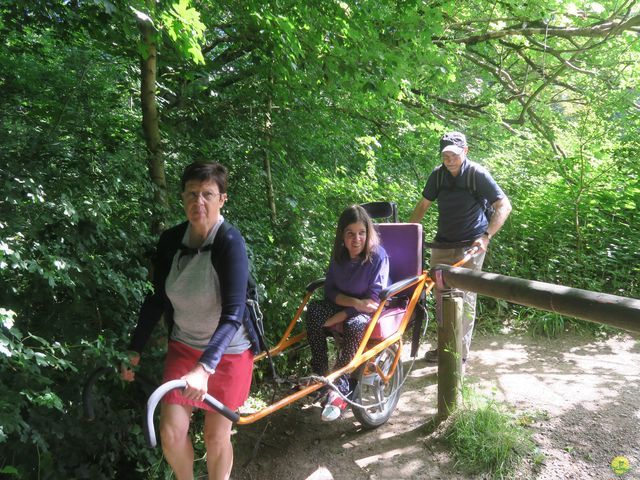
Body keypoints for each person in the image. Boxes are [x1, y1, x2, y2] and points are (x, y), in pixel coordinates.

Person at [121, 162, 259, 480]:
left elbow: (233, 313)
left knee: (215, 436)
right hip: (184, 348)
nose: (199, 202)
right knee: (170, 434)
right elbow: (155, 299)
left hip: (228, 353)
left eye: (208, 194)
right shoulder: (171, 241)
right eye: (192, 194)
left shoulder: (230, 243)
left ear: (222, 199)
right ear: (182, 196)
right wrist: (134, 348)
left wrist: (205, 367)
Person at [408, 131, 512, 366]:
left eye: (454, 154)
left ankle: (459, 356)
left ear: (465, 151)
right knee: (441, 297)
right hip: (443, 243)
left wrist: (486, 237)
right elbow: (424, 204)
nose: (450, 159)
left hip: (471, 245)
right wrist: (407, 232)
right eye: (445, 154)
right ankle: (445, 346)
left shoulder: (477, 174)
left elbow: (504, 205)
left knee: (465, 298)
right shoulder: (438, 175)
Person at [305, 205, 390, 422]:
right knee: (314, 310)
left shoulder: (378, 257)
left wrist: (343, 314)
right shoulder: (339, 257)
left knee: (355, 324)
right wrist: (352, 303)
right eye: (350, 234)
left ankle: (340, 381)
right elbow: (331, 291)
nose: (356, 239)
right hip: (349, 303)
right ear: (342, 236)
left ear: (368, 233)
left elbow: (372, 302)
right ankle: (322, 372)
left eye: (362, 233)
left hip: (369, 310)